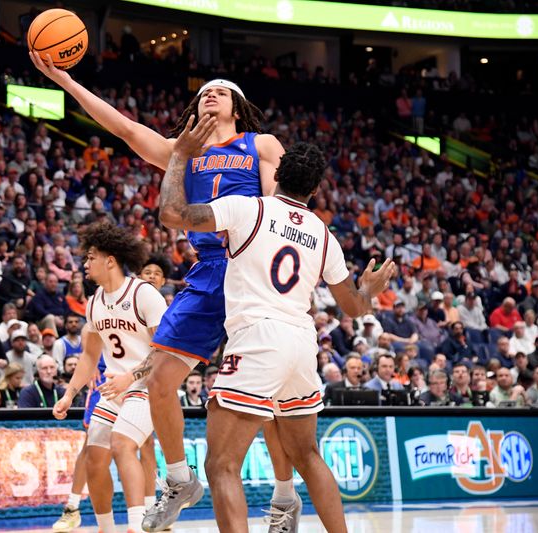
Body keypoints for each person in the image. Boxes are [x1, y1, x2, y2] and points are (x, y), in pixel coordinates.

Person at [29, 57, 299, 532]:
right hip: (207, 272)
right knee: (157, 379)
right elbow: (125, 128)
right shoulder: (183, 151)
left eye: (220, 89)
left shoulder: (261, 143)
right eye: (204, 92)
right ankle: (178, 479)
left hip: (250, 271)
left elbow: (282, 210)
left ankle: (283, 497)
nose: (210, 94)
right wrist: (66, 81)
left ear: (238, 105)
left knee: (270, 398)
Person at [150, 121, 395, 532]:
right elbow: (353, 307)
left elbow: (171, 215)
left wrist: (178, 157)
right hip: (302, 345)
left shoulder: (248, 206)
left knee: (221, 463)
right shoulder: (323, 233)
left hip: (259, 339)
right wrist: (368, 290)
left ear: (276, 175)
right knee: (308, 455)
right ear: (315, 191)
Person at [53, 222, 167, 533]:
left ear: (110, 261)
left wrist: (130, 376)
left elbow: (164, 351)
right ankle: (106, 527)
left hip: (148, 387)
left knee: (122, 444)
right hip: (113, 389)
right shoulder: (94, 304)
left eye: (90, 258)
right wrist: (69, 392)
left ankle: (136, 525)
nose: (85, 264)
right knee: (93, 456)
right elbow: (89, 356)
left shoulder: (144, 293)